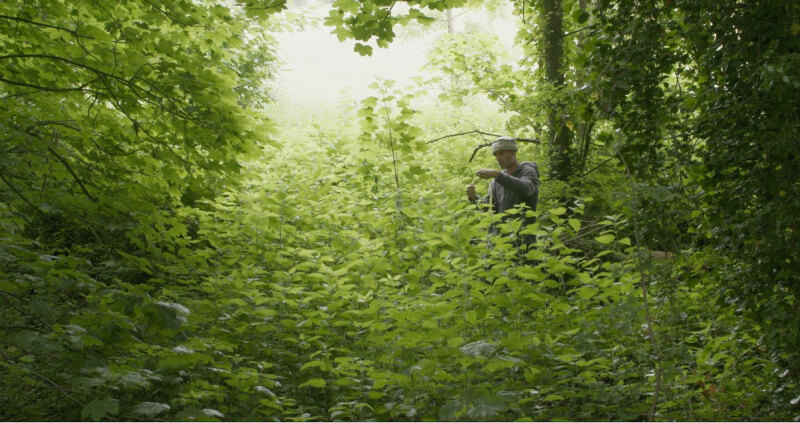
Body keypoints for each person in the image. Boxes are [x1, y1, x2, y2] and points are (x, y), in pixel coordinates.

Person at [466, 137, 540, 244]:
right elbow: (489, 208)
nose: (498, 158)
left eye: (501, 153)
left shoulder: (528, 171)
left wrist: (496, 174)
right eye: (496, 155)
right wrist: (473, 197)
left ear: (514, 151)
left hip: (522, 241)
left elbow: (526, 188)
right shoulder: (497, 181)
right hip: (499, 242)